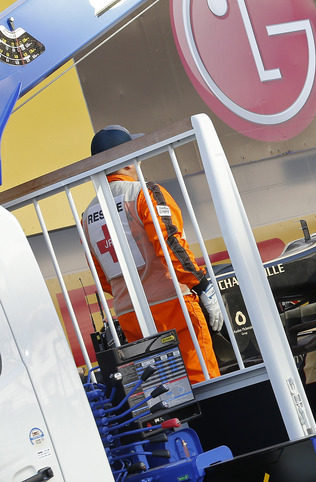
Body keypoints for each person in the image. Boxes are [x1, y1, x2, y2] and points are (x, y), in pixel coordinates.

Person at [83, 125, 222, 384]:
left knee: (162, 390)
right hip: (172, 304)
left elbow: (102, 276)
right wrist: (201, 284)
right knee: (201, 379)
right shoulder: (142, 193)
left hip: (129, 315)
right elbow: (171, 244)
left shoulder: (87, 215)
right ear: (125, 159)